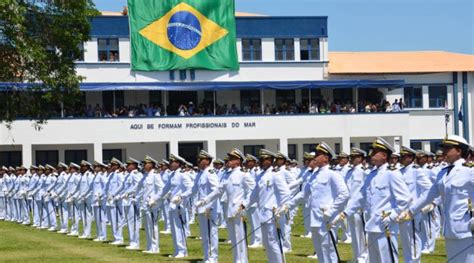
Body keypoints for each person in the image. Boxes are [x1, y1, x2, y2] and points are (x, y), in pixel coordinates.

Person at [399, 135, 474, 263]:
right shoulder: (443, 172)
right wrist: (410, 212)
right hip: (450, 229)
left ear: (459, 151)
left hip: (467, 228)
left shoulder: (469, 170)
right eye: (444, 148)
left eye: (448, 148)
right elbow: (429, 194)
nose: (444, 151)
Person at [338, 137, 411, 263]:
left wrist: (392, 217)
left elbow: (405, 199)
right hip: (371, 225)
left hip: (385, 226)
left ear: (384, 155)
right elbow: (360, 196)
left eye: (375, 152)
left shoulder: (392, 174)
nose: (371, 155)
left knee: (387, 260)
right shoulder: (371, 175)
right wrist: (345, 213)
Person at [285, 142, 349, 263]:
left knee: (329, 251)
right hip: (314, 219)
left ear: (326, 158)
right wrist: (288, 204)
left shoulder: (332, 174)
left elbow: (344, 194)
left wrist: (331, 211)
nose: (315, 157)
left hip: (326, 219)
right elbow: (304, 193)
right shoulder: (314, 175)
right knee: (320, 252)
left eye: (319, 154)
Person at [197, 149, 254, 263]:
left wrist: (244, 204)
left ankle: (242, 261)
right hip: (229, 211)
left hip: (238, 211)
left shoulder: (243, 174)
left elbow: (253, 190)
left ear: (238, 161)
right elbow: (218, 190)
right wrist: (205, 200)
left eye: (232, 159)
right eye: (229, 158)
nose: (229, 161)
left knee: (240, 239)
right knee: (234, 240)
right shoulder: (228, 174)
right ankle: (237, 260)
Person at [243, 149, 292, 263]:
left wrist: (280, 208)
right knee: (267, 243)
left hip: (272, 214)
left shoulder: (275, 175)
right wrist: (244, 205)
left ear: (269, 161)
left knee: (274, 243)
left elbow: (286, 193)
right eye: (260, 159)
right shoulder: (260, 176)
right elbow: (254, 194)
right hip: (263, 214)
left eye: (263, 159)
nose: (260, 162)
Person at [153, 154, 193, 258]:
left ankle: (182, 251)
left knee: (179, 228)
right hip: (172, 205)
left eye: (172, 162)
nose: (170, 164)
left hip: (179, 205)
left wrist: (181, 196)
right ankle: (177, 250)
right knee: (174, 230)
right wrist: (155, 199)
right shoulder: (172, 175)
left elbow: (190, 189)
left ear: (178, 163)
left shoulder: (183, 174)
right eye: (170, 162)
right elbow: (164, 189)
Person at [398, 147, 432, 263]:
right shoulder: (400, 171)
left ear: (411, 158)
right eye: (401, 156)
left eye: (404, 156)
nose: (401, 159)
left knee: (413, 240)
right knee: (406, 241)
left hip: (412, 212)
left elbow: (428, 188)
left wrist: (419, 205)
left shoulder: (416, 171)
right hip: (402, 212)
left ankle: (414, 261)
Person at [190, 150, 219, 262]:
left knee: (211, 234)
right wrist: (181, 197)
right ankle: (207, 257)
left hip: (208, 209)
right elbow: (193, 190)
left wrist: (209, 206)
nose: (198, 161)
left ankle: (213, 258)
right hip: (202, 208)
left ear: (207, 161)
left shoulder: (210, 172)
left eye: (201, 159)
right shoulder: (201, 174)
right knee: (205, 234)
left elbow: (216, 190)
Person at [344, 148, 369, 262]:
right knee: (354, 234)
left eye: (355, 157)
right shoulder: (349, 172)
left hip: (359, 208)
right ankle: (356, 256)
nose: (352, 159)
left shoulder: (364, 171)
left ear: (361, 159)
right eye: (352, 157)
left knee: (361, 234)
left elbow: (366, 191)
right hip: (349, 207)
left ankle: (363, 257)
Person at [138, 156, 164, 254]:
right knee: (148, 226)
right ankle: (149, 246)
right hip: (146, 204)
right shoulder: (146, 175)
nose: (144, 165)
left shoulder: (155, 174)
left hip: (153, 205)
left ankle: (155, 248)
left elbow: (161, 188)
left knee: (153, 226)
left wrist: (154, 199)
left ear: (151, 164)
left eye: (146, 163)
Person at [119, 157, 143, 250]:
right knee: (130, 222)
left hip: (132, 200)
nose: (127, 166)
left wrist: (129, 193)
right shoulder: (129, 175)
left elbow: (138, 186)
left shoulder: (136, 174)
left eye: (129, 165)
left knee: (133, 223)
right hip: (127, 200)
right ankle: (132, 241)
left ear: (134, 166)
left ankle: (135, 242)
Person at [105, 158, 125, 245]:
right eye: (111, 165)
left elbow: (121, 186)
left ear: (117, 166)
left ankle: (119, 238)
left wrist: (113, 194)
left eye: (113, 165)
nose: (112, 167)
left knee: (117, 219)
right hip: (110, 199)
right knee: (112, 219)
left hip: (116, 199)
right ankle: (115, 237)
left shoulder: (118, 175)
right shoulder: (111, 175)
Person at [244, 154, 263, 248]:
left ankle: (258, 240)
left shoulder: (257, 171)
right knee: (251, 222)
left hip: (254, 201)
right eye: (246, 162)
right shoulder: (249, 171)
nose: (247, 163)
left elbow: (255, 187)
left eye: (249, 162)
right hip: (249, 200)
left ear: (253, 162)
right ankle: (253, 239)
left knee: (256, 221)